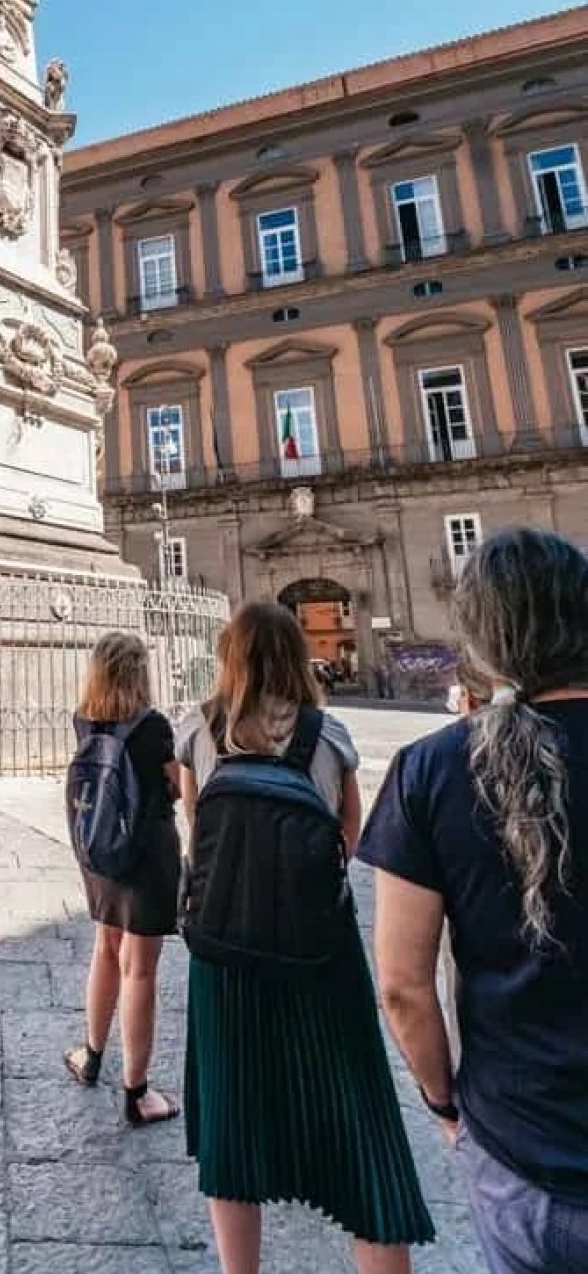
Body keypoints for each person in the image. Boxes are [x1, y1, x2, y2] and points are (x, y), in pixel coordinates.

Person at [176, 602, 433, 1274]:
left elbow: (196, 838)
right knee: (359, 1131)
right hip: (320, 951)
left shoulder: (199, 732)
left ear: (230, 656)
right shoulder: (330, 735)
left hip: (225, 955)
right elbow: (345, 840)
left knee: (231, 1127)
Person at [359, 529, 588, 1273]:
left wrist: (443, 1102)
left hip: (524, 1144)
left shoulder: (433, 769)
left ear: (484, 637)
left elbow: (401, 987)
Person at [63, 632, 182, 1125]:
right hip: (147, 854)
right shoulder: (152, 727)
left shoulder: (84, 718)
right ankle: (137, 1092)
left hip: (99, 852)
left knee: (105, 947)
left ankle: (92, 1054)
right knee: (141, 969)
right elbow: (176, 783)